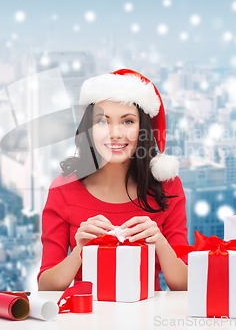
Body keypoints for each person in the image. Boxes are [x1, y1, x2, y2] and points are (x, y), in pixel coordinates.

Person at [38, 68, 188, 291]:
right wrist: (81, 250)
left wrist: (159, 242)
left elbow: (184, 285)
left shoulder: (168, 186)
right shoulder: (63, 189)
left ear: (143, 129)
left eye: (127, 122)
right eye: (102, 121)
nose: (115, 133)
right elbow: (46, 286)